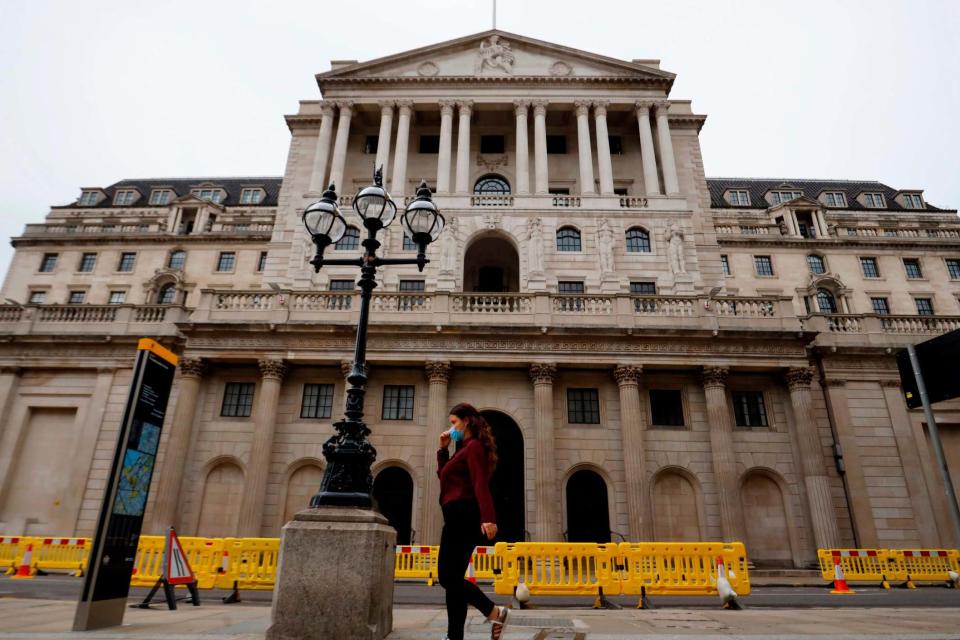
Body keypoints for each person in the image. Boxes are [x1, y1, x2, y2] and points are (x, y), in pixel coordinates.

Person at [437, 402, 509, 640]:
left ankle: (493, 611)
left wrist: (489, 518)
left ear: (466, 421)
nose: (451, 428)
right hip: (455, 516)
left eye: (454, 422)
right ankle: (454, 636)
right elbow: (445, 479)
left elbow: (480, 483)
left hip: (463, 517)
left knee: (447, 577)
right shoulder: (461, 449)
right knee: (453, 579)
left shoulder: (474, 447)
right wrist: (443, 451)